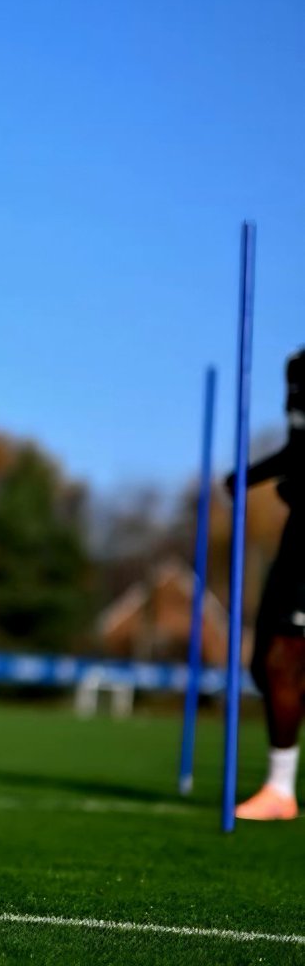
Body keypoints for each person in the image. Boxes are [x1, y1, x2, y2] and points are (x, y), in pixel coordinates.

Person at [228, 348, 304, 821]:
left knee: (284, 656)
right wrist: (249, 477)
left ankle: (280, 790)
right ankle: (281, 785)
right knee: (265, 663)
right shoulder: (300, 367)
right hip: (299, 528)